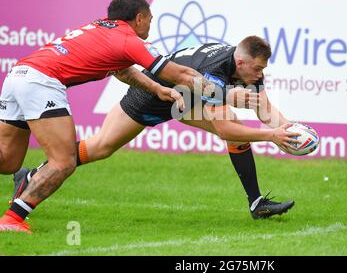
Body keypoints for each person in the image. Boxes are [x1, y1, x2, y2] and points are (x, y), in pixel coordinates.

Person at [10, 36, 303, 231]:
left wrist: (287, 130)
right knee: (101, 147)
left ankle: (256, 203)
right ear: (241, 63)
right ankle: (32, 174)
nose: (262, 74)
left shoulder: (243, 68)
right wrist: (271, 136)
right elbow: (225, 129)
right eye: (259, 68)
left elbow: (263, 105)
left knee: (233, 126)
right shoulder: (217, 70)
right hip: (151, 97)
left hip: (185, 99)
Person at [0, 0, 222, 233]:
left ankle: (16, 208)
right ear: (139, 18)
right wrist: (224, 94)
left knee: (8, 160)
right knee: (64, 161)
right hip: (40, 83)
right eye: (149, 19)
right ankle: (13, 218)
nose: (149, 24)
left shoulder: (100, 27)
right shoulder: (129, 39)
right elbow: (181, 75)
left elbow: (122, 71)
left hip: (18, 75)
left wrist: (157, 89)